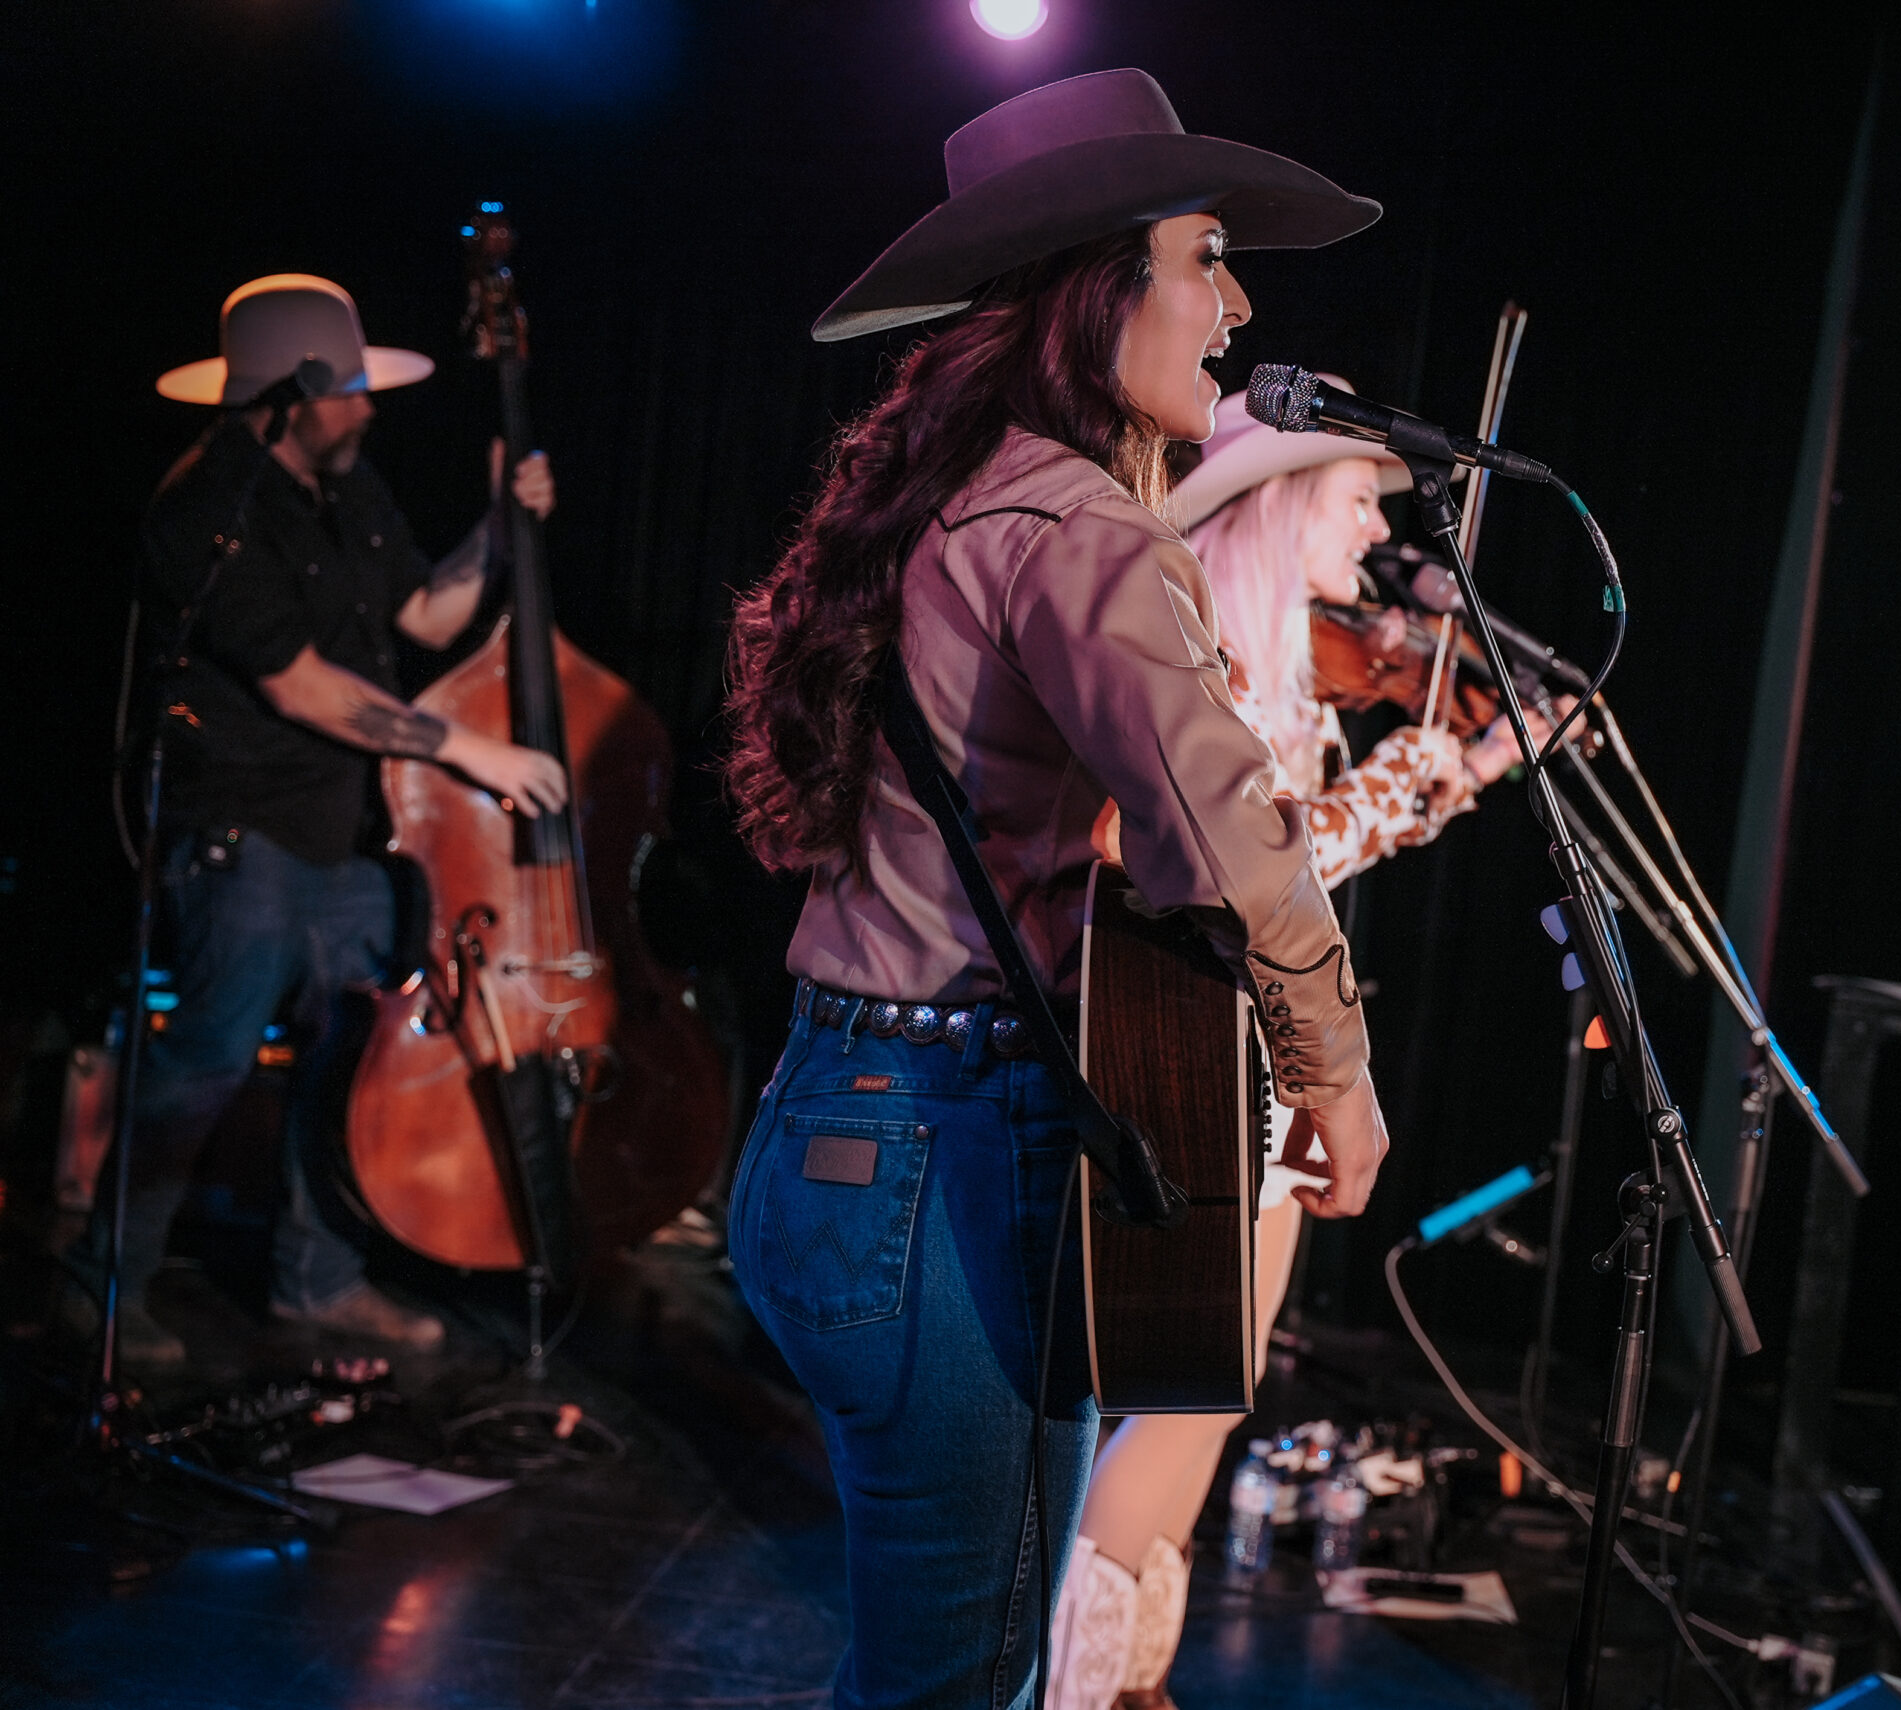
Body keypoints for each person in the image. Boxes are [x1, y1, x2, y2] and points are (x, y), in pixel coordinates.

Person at [720, 70, 1386, 1710]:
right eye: (1206, 258)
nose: (1237, 306)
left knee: (923, 1668)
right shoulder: (1081, 530)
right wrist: (1334, 1072)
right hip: (947, 1162)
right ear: (1102, 287)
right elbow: (1229, 844)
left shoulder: (947, 499)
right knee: (960, 1684)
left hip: (832, 1126)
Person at [1045, 384, 1544, 1710]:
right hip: (1187, 1047)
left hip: (1248, 1053)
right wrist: (1437, 770)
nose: (1379, 530)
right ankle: (1073, 1685)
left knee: (1220, 1388)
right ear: (1277, 508)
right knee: (1185, 1395)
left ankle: (1130, 1678)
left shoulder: (1282, 674)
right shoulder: (1197, 665)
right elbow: (1257, 859)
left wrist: (1455, 767)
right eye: (1354, 499)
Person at [62, 275, 565, 1369]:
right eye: (350, 391)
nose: (369, 409)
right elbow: (299, 686)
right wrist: (470, 749)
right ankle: (104, 1288)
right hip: (242, 831)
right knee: (205, 1064)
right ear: (289, 398)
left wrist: (495, 529)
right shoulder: (205, 505)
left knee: (349, 1065)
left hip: (344, 837)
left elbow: (424, 614)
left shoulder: (346, 484)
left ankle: (318, 1282)